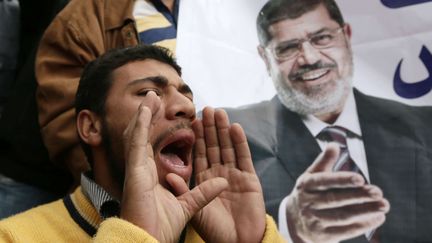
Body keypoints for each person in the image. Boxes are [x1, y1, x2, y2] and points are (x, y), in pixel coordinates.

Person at [0, 45, 284, 242]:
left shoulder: (219, 230)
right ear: (91, 126)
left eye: (187, 95)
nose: (184, 106)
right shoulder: (13, 236)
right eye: (149, 92)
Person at [225, 0, 432, 242]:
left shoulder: (425, 126)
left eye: (322, 38)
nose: (310, 58)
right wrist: (290, 227)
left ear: (347, 36)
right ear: (265, 58)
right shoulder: (230, 136)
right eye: (288, 48)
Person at [35, 0, 180, 188]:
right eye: (148, 91)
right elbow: (65, 120)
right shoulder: (85, 15)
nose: (185, 106)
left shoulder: (220, 11)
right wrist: (127, 191)